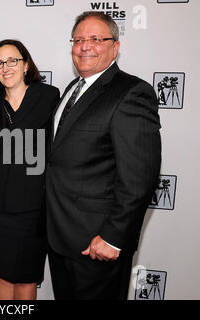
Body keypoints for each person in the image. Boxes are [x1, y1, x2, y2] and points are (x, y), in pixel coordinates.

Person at [46, 11, 162, 300]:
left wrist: (113, 236)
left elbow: (138, 178)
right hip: (60, 237)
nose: (85, 46)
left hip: (97, 243)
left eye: (96, 39)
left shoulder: (132, 92)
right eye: (79, 39)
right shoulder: (73, 88)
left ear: (115, 46)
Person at [0, 39, 60, 300]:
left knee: (26, 278)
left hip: (31, 208)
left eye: (12, 60)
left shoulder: (49, 96)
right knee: (2, 273)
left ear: (26, 64)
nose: (6, 67)